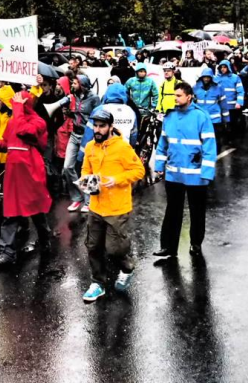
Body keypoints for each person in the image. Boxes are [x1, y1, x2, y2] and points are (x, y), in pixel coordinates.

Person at [79, 107, 146, 301]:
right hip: (96, 206)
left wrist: (116, 179)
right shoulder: (91, 147)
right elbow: (85, 168)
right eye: (96, 126)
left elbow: (138, 171)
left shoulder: (122, 147)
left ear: (110, 127)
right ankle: (97, 283)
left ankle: (127, 268)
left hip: (117, 208)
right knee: (93, 246)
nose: (98, 130)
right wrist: (85, 181)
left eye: (102, 126)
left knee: (115, 249)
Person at [153, 82, 217, 259]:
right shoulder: (170, 117)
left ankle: (195, 243)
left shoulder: (201, 117)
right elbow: (162, 145)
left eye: (179, 96)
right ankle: (168, 247)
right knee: (173, 211)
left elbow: (210, 146)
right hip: (174, 174)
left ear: (189, 97)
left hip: (196, 175)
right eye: (175, 96)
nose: (176, 99)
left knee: (197, 211)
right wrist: (159, 167)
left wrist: (206, 173)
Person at [0, 92, 54, 268]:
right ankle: (7, 253)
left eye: (18, 102)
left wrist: (18, 109)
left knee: (36, 212)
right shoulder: (14, 120)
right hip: (13, 174)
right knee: (10, 213)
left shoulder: (38, 121)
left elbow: (24, 131)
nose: (14, 105)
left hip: (30, 173)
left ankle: (45, 241)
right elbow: (7, 143)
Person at [59, 74, 101, 213]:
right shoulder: (73, 97)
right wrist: (69, 114)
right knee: (67, 167)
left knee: (87, 168)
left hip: (87, 136)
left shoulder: (94, 98)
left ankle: (90, 200)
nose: (73, 85)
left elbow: (98, 117)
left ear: (82, 85)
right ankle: (77, 198)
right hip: (74, 135)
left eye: (75, 83)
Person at [214, 60, 244, 138]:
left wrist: (239, 102)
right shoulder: (216, 78)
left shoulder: (235, 77)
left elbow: (240, 91)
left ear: (228, 67)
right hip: (221, 106)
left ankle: (233, 139)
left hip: (232, 106)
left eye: (224, 67)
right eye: (221, 67)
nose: (222, 69)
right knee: (222, 123)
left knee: (232, 123)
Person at [192, 67, 224, 135]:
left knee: (215, 136)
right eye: (204, 77)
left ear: (211, 78)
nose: (206, 79)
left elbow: (223, 103)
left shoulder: (218, 88)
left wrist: (226, 118)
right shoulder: (195, 87)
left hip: (214, 118)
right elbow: (192, 103)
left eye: (208, 77)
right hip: (201, 117)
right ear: (201, 77)